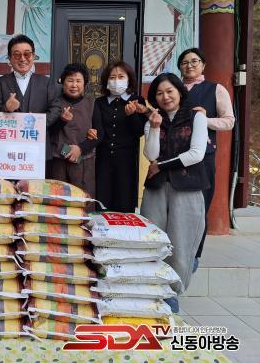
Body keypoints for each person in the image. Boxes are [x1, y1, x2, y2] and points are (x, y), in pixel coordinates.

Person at [140, 72, 209, 313]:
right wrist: (155, 128)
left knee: (181, 244)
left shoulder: (196, 117)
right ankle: (153, 289)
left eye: (170, 91)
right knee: (152, 242)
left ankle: (171, 294)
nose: (165, 97)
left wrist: (161, 165)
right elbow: (151, 154)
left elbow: (196, 154)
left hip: (187, 188)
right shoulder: (152, 120)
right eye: (159, 93)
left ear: (180, 91)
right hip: (157, 189)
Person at [177, 48, 235, 265]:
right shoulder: (174, 89)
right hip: (175, 154)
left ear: (203, 65)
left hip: (203, 155)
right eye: (185, 62)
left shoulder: (215, 89)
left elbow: (229, 121)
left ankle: (194, 256)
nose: (189, 65)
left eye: (194, 61)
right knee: (176, 206)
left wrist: (204, 119)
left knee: (199, 205)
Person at [0, 34, 61, 159]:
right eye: (17, 55)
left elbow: (56, 109)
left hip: (38, 145)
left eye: (27, 54)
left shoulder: (46, 82)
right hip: (8, 147)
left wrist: (39, 122)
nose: (22, 59)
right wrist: (6, 108)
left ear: (33, 56)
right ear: (10, 58)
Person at [93, 61, 148, 212]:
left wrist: (132, 115)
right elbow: (98, 130)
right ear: (106, 81)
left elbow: (139, 132)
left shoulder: (137, 100)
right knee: (102, 202)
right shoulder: (100, 102)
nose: (116, 81)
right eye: (112, 77)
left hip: (126, 161)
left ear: (129, 79)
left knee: (124, 203)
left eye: (121, 76)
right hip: (103, 160)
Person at [48, 63, 101, 197]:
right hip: (58, 162)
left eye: (78, 81)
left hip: (84, 162)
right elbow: (48, 131)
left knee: (83, 201)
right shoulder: (55, 103)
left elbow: (100, 134)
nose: (74, 85)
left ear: (84, 83)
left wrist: (80, 148)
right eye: (70, 80)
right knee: (58, 200)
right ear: (63, 82)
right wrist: (62, 120)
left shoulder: (92, 104)